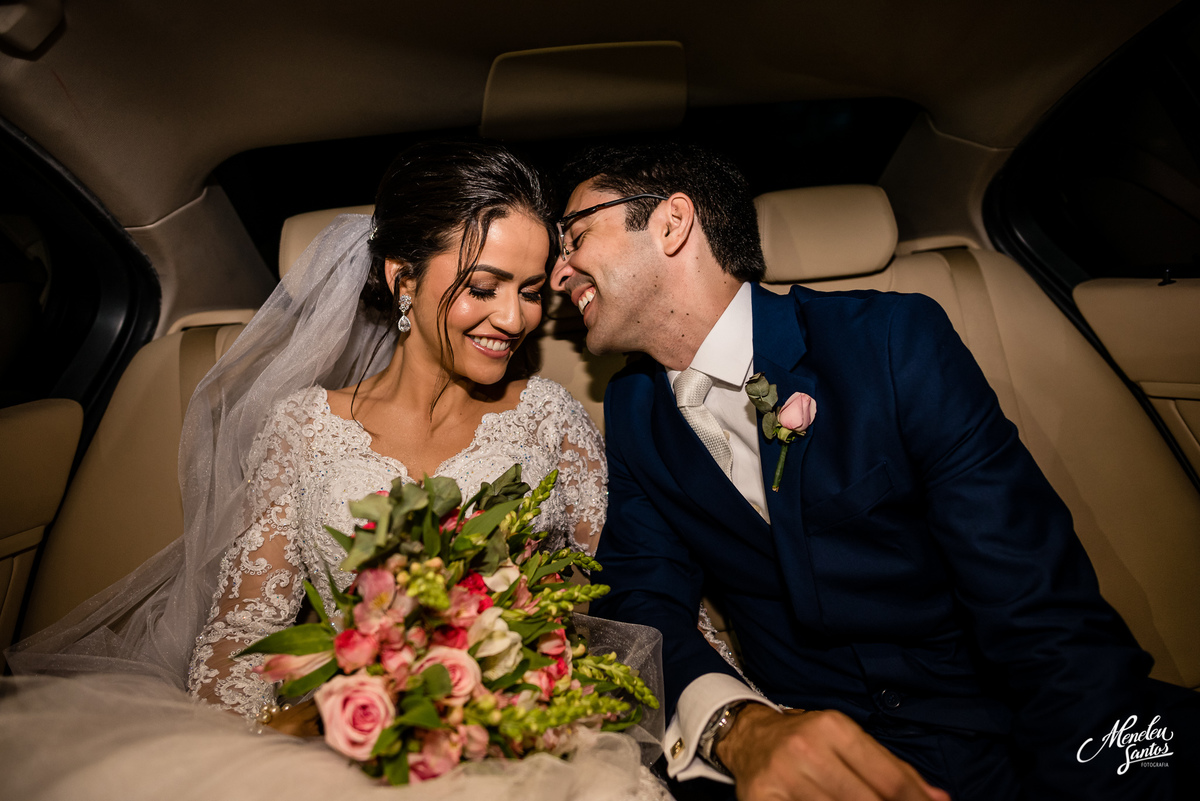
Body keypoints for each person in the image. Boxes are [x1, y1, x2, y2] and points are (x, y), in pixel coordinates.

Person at [0, 140, 667, 801]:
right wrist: (246, 762)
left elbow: (591, 605)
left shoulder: (551, 418)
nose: (514, 317)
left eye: (529, 291)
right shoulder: (304, 427)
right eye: (483, 287)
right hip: (329, 748)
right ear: (402, 278)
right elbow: (244, 631)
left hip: (517, 749)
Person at [549, 141, 1196, 800]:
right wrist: (738, 727)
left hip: (1011, 732)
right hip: (809, 766)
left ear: (670, 223)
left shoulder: (888, 340)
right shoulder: (634, 410)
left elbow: (1038, 604)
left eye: (573, 236)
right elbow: (636, 605)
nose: (557, 273)